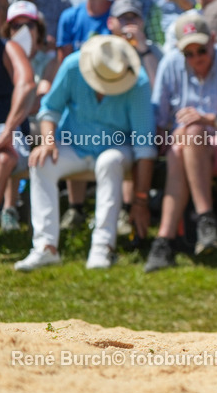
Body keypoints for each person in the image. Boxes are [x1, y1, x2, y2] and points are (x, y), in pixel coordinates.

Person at [14, 35, 155, 271]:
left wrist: (141, 201)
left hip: (116, 149)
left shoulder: (138, 82)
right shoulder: (71, 65)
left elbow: (144, 146)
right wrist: (48, 142)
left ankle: (103, 247)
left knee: (109, 162)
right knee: (41, 162)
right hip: (73, 145)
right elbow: (50, 109)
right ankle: (45, 247)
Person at [144, 13, 217, 273]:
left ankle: (168, 240)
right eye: (189, 53)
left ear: (213, 39)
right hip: (185, 148)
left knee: (193, 132)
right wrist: (174, 134)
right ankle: (192, 228)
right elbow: (159, 121)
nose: (196, 57)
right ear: (179, 50)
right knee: (180, 147)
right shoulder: (170, 65)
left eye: (201, 49)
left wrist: (209, 120)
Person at [0, 2, 34, 236]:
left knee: (2, 157)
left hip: (3, 131)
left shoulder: (8, 47)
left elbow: (26, 85)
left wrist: (8, 131)